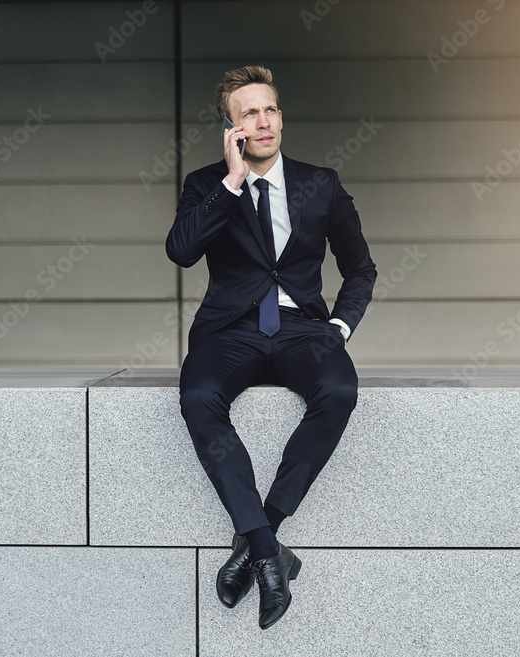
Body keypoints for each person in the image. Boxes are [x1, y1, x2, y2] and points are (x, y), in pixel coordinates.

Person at [165, 65, 376, 630]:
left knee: (339, 388)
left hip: (302, 327)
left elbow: (360, 269)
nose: (264, 121)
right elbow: (181, 251)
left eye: (271, 109)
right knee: (198, 396)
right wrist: (231, 183)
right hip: (228, 329)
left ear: (282, 116)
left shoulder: (321, 183)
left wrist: (339, 328)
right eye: (249, 113)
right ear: (231, 129)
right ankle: (268, 552)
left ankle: (262, 536)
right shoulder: (207, 184)